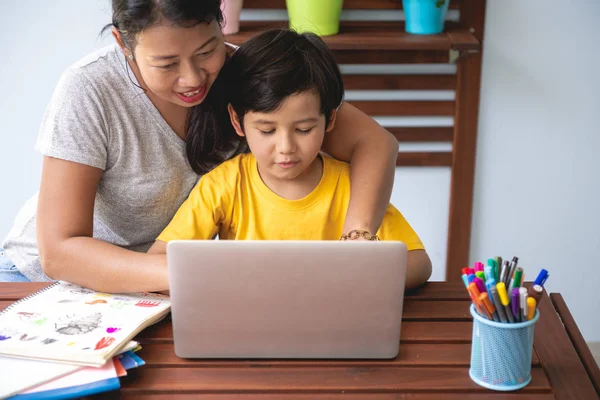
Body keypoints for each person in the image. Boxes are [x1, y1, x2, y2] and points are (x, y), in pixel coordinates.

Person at [0, 0, 401, 292]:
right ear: (124, 44)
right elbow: (60, 251)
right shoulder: (89, 89)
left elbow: (376, 143)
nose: (193, 78)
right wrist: (198, 275)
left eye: (207, 50)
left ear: (220, 21)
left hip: (160, 290)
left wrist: (357, 241)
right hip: (39, 284)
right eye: (167, 63)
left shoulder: (247, 77)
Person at [148, 29, 432, 289]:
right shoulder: (223, 186)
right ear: (237, 121)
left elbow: (419, 263)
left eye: (304, 129)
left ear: (330, 119)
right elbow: (159, 258)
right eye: (267, 130)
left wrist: (361, 274)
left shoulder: (350, 186)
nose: (286, 147)